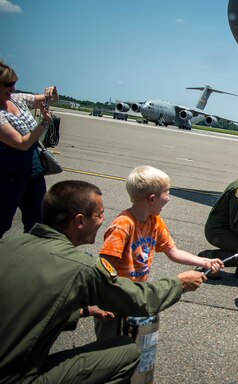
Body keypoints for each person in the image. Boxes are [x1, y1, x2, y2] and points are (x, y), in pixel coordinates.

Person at [0, 180, 207, 384]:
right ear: (80, 221)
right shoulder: (82, 267)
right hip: (16, 376)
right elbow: (139, 300)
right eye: (99, 215)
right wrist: (180, 283)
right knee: (127, 353)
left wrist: (85, 311)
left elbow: (35, 307)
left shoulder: (8, 244)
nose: (104, 220)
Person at [95, 165, 224, 340]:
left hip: (138, 295)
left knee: (134, 343)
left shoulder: (155, 222)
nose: (169, 198)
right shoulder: (123, 226)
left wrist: (204, 262)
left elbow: (173, 251)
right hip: (115, 297)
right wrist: (105, 299)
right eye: (167, 193)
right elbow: (103, 266)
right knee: (109, 343)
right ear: (152, 199)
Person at [0, 59, 58, 238]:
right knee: (2, 222)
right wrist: (44, 123)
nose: (13, 88)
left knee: (37, 223)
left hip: (33, 172)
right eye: (8, 84)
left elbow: (52, 99)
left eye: (14, 83)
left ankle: (30, 259)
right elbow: (21, 143)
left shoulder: (17, 100)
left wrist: (52, 91)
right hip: (9, 176)